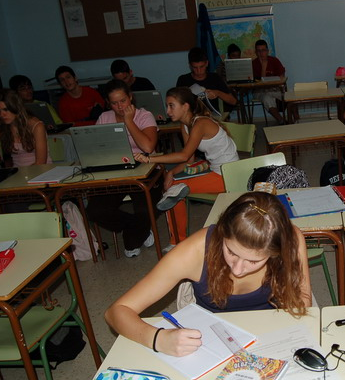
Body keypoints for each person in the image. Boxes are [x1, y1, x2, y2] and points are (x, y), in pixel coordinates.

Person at [104, 192, 312, 357]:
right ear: (222, 233)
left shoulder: (291, 241)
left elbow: (303, 300)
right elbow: (116, 312)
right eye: (231, 252)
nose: (237, 269)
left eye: (254, 261)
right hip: (211, 340)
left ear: (276, 253)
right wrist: (158, 338)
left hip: (270, 333)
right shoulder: (194, 251)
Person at [134, 87, 239, 245]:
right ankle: (177, 238)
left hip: (229, 175)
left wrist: (151, 159)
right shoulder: (185, 125)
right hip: (217, 171)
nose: (168, 111)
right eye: (167, 106)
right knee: (173, 185)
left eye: (171, 105)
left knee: (172, 189)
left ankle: (177, 241)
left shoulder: (201, 123)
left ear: (185, 106)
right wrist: (171, 173)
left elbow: (183, 155)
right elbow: (189, 159)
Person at [85, 80, 162, 258]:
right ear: (108, 103)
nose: (119, 107)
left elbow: (148, 147)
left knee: (143, 214)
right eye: (114, 103)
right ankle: (137, 225)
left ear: (130, 97)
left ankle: (138, 230)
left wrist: (129, 121)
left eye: (123, 101)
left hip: (146, 170)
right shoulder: (104, 118)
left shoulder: (144, 115)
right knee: (95, 210)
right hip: (116, 172)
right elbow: (97, 149)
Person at [0, 89, 51, 167]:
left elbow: (40, 162)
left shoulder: (36, 126)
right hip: (18, 173)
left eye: (5, 110)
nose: (2, 114)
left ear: (15, 107)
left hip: (40, 171)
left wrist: (22, 176)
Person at [176, 47, 237, 114]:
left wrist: (217, 93)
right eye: (195, 67)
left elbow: (233, 101)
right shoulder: (183, 80)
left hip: (213, 117)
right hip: (193, 118)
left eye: (201, 67)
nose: (198, 71)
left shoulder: (214, 78)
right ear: (190, 66)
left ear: (207, 63)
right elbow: (177, 105)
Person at [252, 39, 286, 124]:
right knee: (267, 98)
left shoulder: (274, 60)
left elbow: (282, 76)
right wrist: (263, 67)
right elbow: (259, 83)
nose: (261, 53)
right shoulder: (253, 64)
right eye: (258, 51)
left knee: (289, 96)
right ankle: (282, 120)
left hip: (275, 88)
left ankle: (296, 120)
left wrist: (275, 84)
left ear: (267, 51)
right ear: (256, 52)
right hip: (260, 91)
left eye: (263, 50)